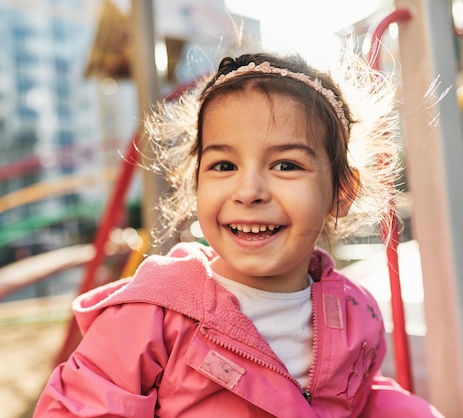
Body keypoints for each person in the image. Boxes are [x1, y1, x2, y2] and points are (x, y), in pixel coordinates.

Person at [33, 50, 444, 417]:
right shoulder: (155, 315)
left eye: (286, 165)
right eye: (224, 166)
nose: (249, 192)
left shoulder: (355, 313)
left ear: (341, 192)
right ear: (196, 185)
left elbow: (363, 399)